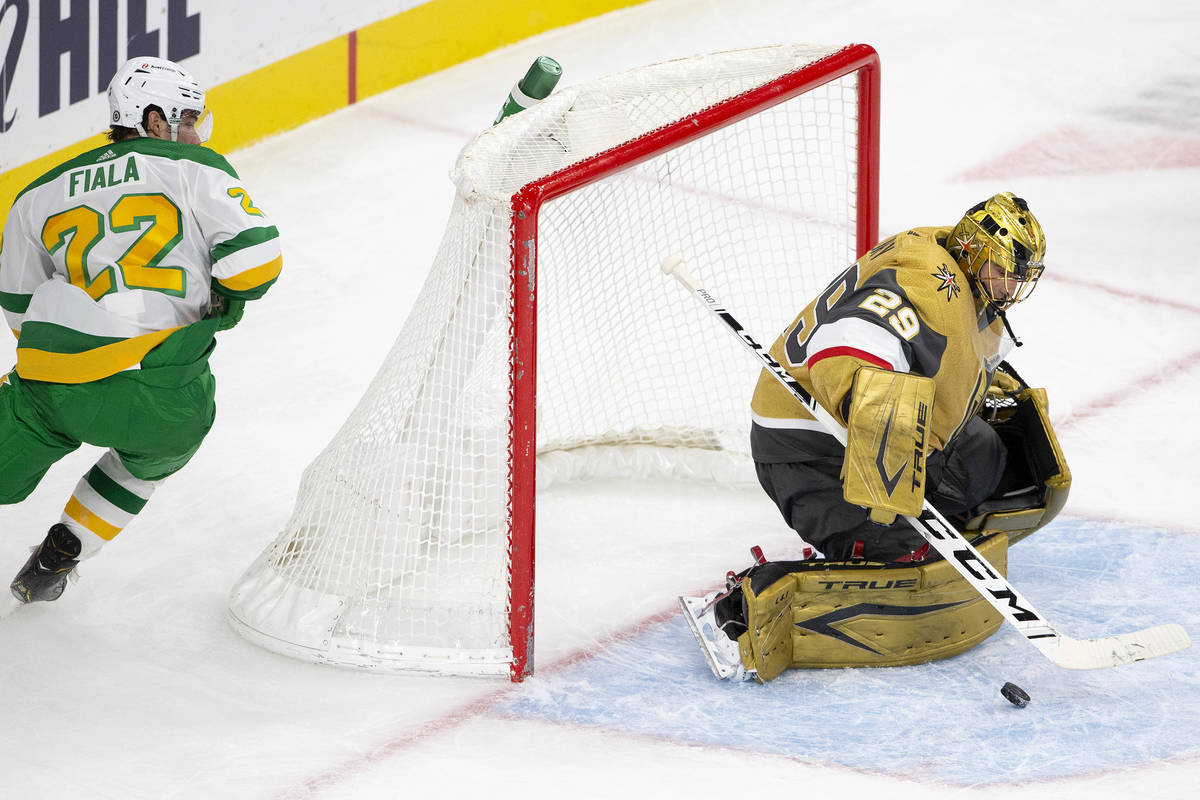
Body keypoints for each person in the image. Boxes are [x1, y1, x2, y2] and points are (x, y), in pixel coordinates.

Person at [682, 192, 1058, 681]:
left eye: (1019, 277)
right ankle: (744, 610)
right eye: (1004, 272)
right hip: (810, 448)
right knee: (903, 556)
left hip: (874, 433)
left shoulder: (947, 262)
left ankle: (904, 507)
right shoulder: (934, 288)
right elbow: (842, 345)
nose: (1012, 287)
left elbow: (943, 352)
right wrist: (877, 429)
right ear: (972, 253)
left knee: (993, 460)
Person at [0, 56, 282, 604]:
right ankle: (69, 545)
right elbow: (257, 262)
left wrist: (57, 369)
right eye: (189, 119)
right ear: (155, 120)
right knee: (155, 456)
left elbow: (16, 303)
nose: (195, 133)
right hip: (163, 392)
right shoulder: (196, 169)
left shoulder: (39, 192)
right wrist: (221, 296)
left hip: (54, 382)